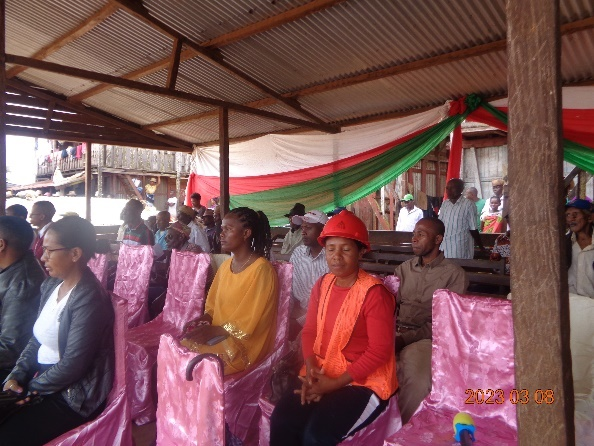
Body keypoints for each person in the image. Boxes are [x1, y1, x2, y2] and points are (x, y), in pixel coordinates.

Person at [270, 210, 397, 446]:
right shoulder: (322, 284)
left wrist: (334, 385)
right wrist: (311, 370)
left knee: (316, 437)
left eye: (345, 249)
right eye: (330, 249)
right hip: (322, 371)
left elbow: (379, 351)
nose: (336, 256)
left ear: (361, 251)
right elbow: (310, 331)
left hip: (363, 382)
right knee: (282, 421)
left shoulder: (374, 293)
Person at [0, 217, 114, 445]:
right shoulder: (51, 284)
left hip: (73, 395)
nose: (42, 257)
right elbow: (37, 338)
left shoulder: (88, 298)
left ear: (75, 254)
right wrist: (17, 376)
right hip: (44, 380)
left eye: (49, 251)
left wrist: (29, 389)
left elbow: (73, 365)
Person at [180, 207, 278, 375]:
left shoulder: (262, 270)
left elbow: (250, 320)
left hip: (245, 343)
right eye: (222, 229)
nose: (221, 234)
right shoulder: (226, 266)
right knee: (182, 347)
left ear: (246, 233)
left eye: (228, 229)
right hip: (219, 333)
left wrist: (215, 331)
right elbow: (212, 304)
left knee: (194, 361)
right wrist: (203, 319)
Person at [394, 217, 468, 423]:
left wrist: (404, 339)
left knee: (417, 380)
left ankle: (403, 430)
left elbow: (444, 323)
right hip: (395, 331)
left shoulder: (454, 275)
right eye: (414, 234)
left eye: (421, 234)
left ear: (438, 239)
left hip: (427, 339)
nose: (414, 239)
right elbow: (390, 307)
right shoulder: (403, 269)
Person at [0, 217, 45, 382]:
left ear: (1, 244)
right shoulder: (11, 267)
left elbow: (10, 348)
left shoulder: (23, 285)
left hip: (9, 373)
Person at [288, 210, 330, 335]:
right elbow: (289, 290)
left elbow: (330, 302)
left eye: (309, 228)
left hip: (325, 320)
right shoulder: (298, 253)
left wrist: (299, 322)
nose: (303, 232)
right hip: (298, 314)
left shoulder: (332, 257)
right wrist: (285, 319)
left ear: (323, 231)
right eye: (302, 228)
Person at [438, 178, 485, 259]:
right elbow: (440, 224)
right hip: (444, 246)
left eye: (452, 188)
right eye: (447, 188)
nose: (448, 191)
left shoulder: (468, 204)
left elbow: (473, 229)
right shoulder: (445, 204)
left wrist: (481, 247)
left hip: (460, 247)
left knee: (457, 266)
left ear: (460, 189)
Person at [566, 199, 594, 298]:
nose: (571, 219)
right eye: (568, 215)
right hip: (571, 302)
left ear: (590, 218)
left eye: (575, 214)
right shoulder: (564, 244)